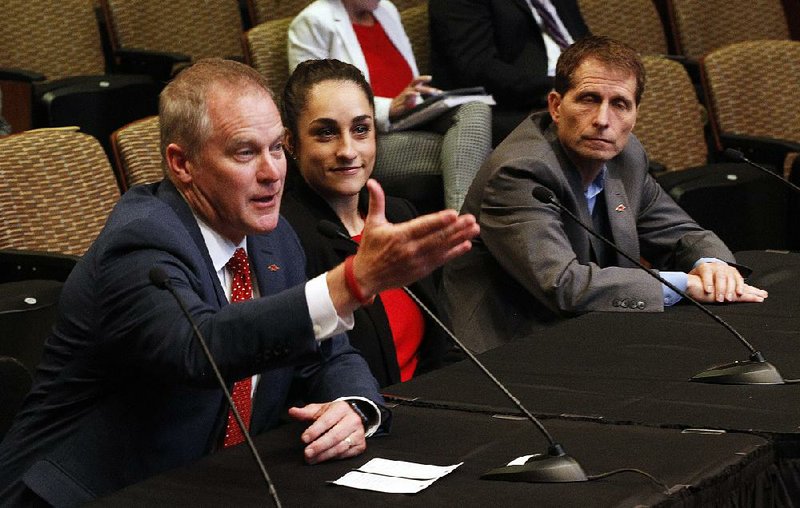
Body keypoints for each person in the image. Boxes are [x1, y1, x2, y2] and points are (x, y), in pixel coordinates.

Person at [0, 58, 479, 505]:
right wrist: (350, 282)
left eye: (276, 148)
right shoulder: (141, 242)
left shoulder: (274, 240)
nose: (272, 173)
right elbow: (201, 347)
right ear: (182, 164)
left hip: (215, 481)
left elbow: (328, 351)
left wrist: (352, 406)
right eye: (245, 152)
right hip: (92, 493)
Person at [442, 36, 767, 354]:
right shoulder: (520, 171)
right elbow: (563, 285)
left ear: (635, 114)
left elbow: (679, 233)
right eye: (588, 99)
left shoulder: (626, 156)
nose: (602, 120)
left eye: (619, 104)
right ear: (556, 106)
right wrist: (685, 285)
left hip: (587, 328)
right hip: (505, 348)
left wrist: (712, 264)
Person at [280, 59, 460, 387]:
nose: (348, 151)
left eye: (361, 129)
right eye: (326, 133)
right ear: (291, 143)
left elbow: (443, 343)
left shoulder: (401, 215)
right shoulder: (282, 241)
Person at [288, 0, 492, 211]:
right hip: (368, 134)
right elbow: (313, 101)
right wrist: (389, 108)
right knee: (473, 150)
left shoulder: (387, 10)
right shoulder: (312, 22)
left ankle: (461, 226)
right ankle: (463, 225)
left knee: (476, 108)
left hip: (413, 116)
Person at [428, 0, 588, 147]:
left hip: (573, 85)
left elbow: (584, 41)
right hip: (512, 104)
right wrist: (561, 86)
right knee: (592, 122)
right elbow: (478, 69)